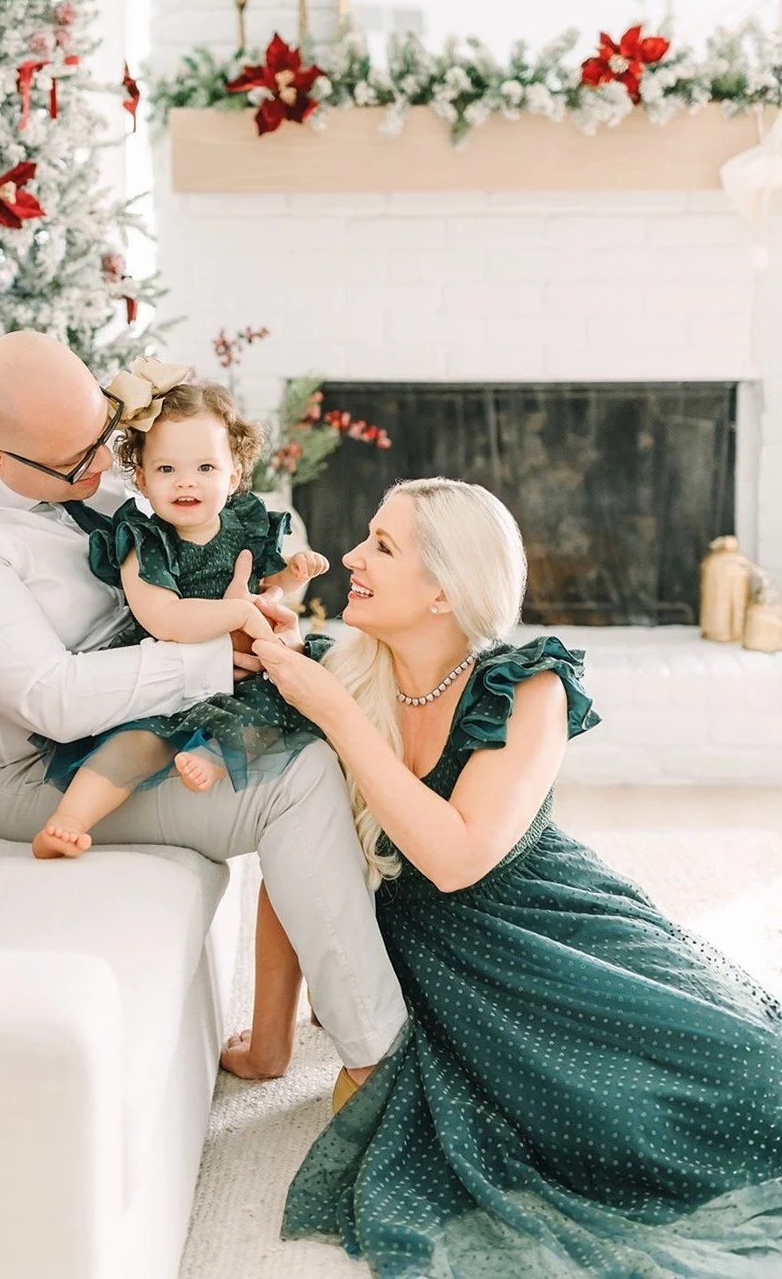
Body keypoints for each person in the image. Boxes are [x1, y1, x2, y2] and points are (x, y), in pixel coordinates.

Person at [228, 477, 782, 1276]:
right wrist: (270, 1044)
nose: (351, 556)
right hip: (440, 967)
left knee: (745, 1079)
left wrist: (335, 716)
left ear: (443, 592)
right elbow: (292, 861)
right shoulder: (336, 673)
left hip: (557, 931)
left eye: (382, 546)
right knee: (578, 1119)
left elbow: (456, 859)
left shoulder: (525, 687)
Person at [0, 330, 407, 1088]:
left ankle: (337, 1002)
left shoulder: (62, 457)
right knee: (300, 779)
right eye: (80, 464)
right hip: (30, 771)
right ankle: (375, 1056)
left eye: (103, 438)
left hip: (143, 699)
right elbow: (54, 700)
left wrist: (258, 607)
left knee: (346, 711)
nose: (104, 468)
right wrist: (219, 655)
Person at [30, 363, 330, 860]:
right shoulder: (144, 541)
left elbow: (267, 592)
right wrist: (237, 616)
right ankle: (68, 822)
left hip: (237, 675)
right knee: (135, 744)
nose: (186, 482)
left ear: (234, 475)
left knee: (281, 704)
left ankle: (214, 755)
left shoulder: (245, 525)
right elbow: (164, 619)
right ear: (142, 479)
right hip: (164, 674)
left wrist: (292, 578)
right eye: (167, 470)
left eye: (205, 468)